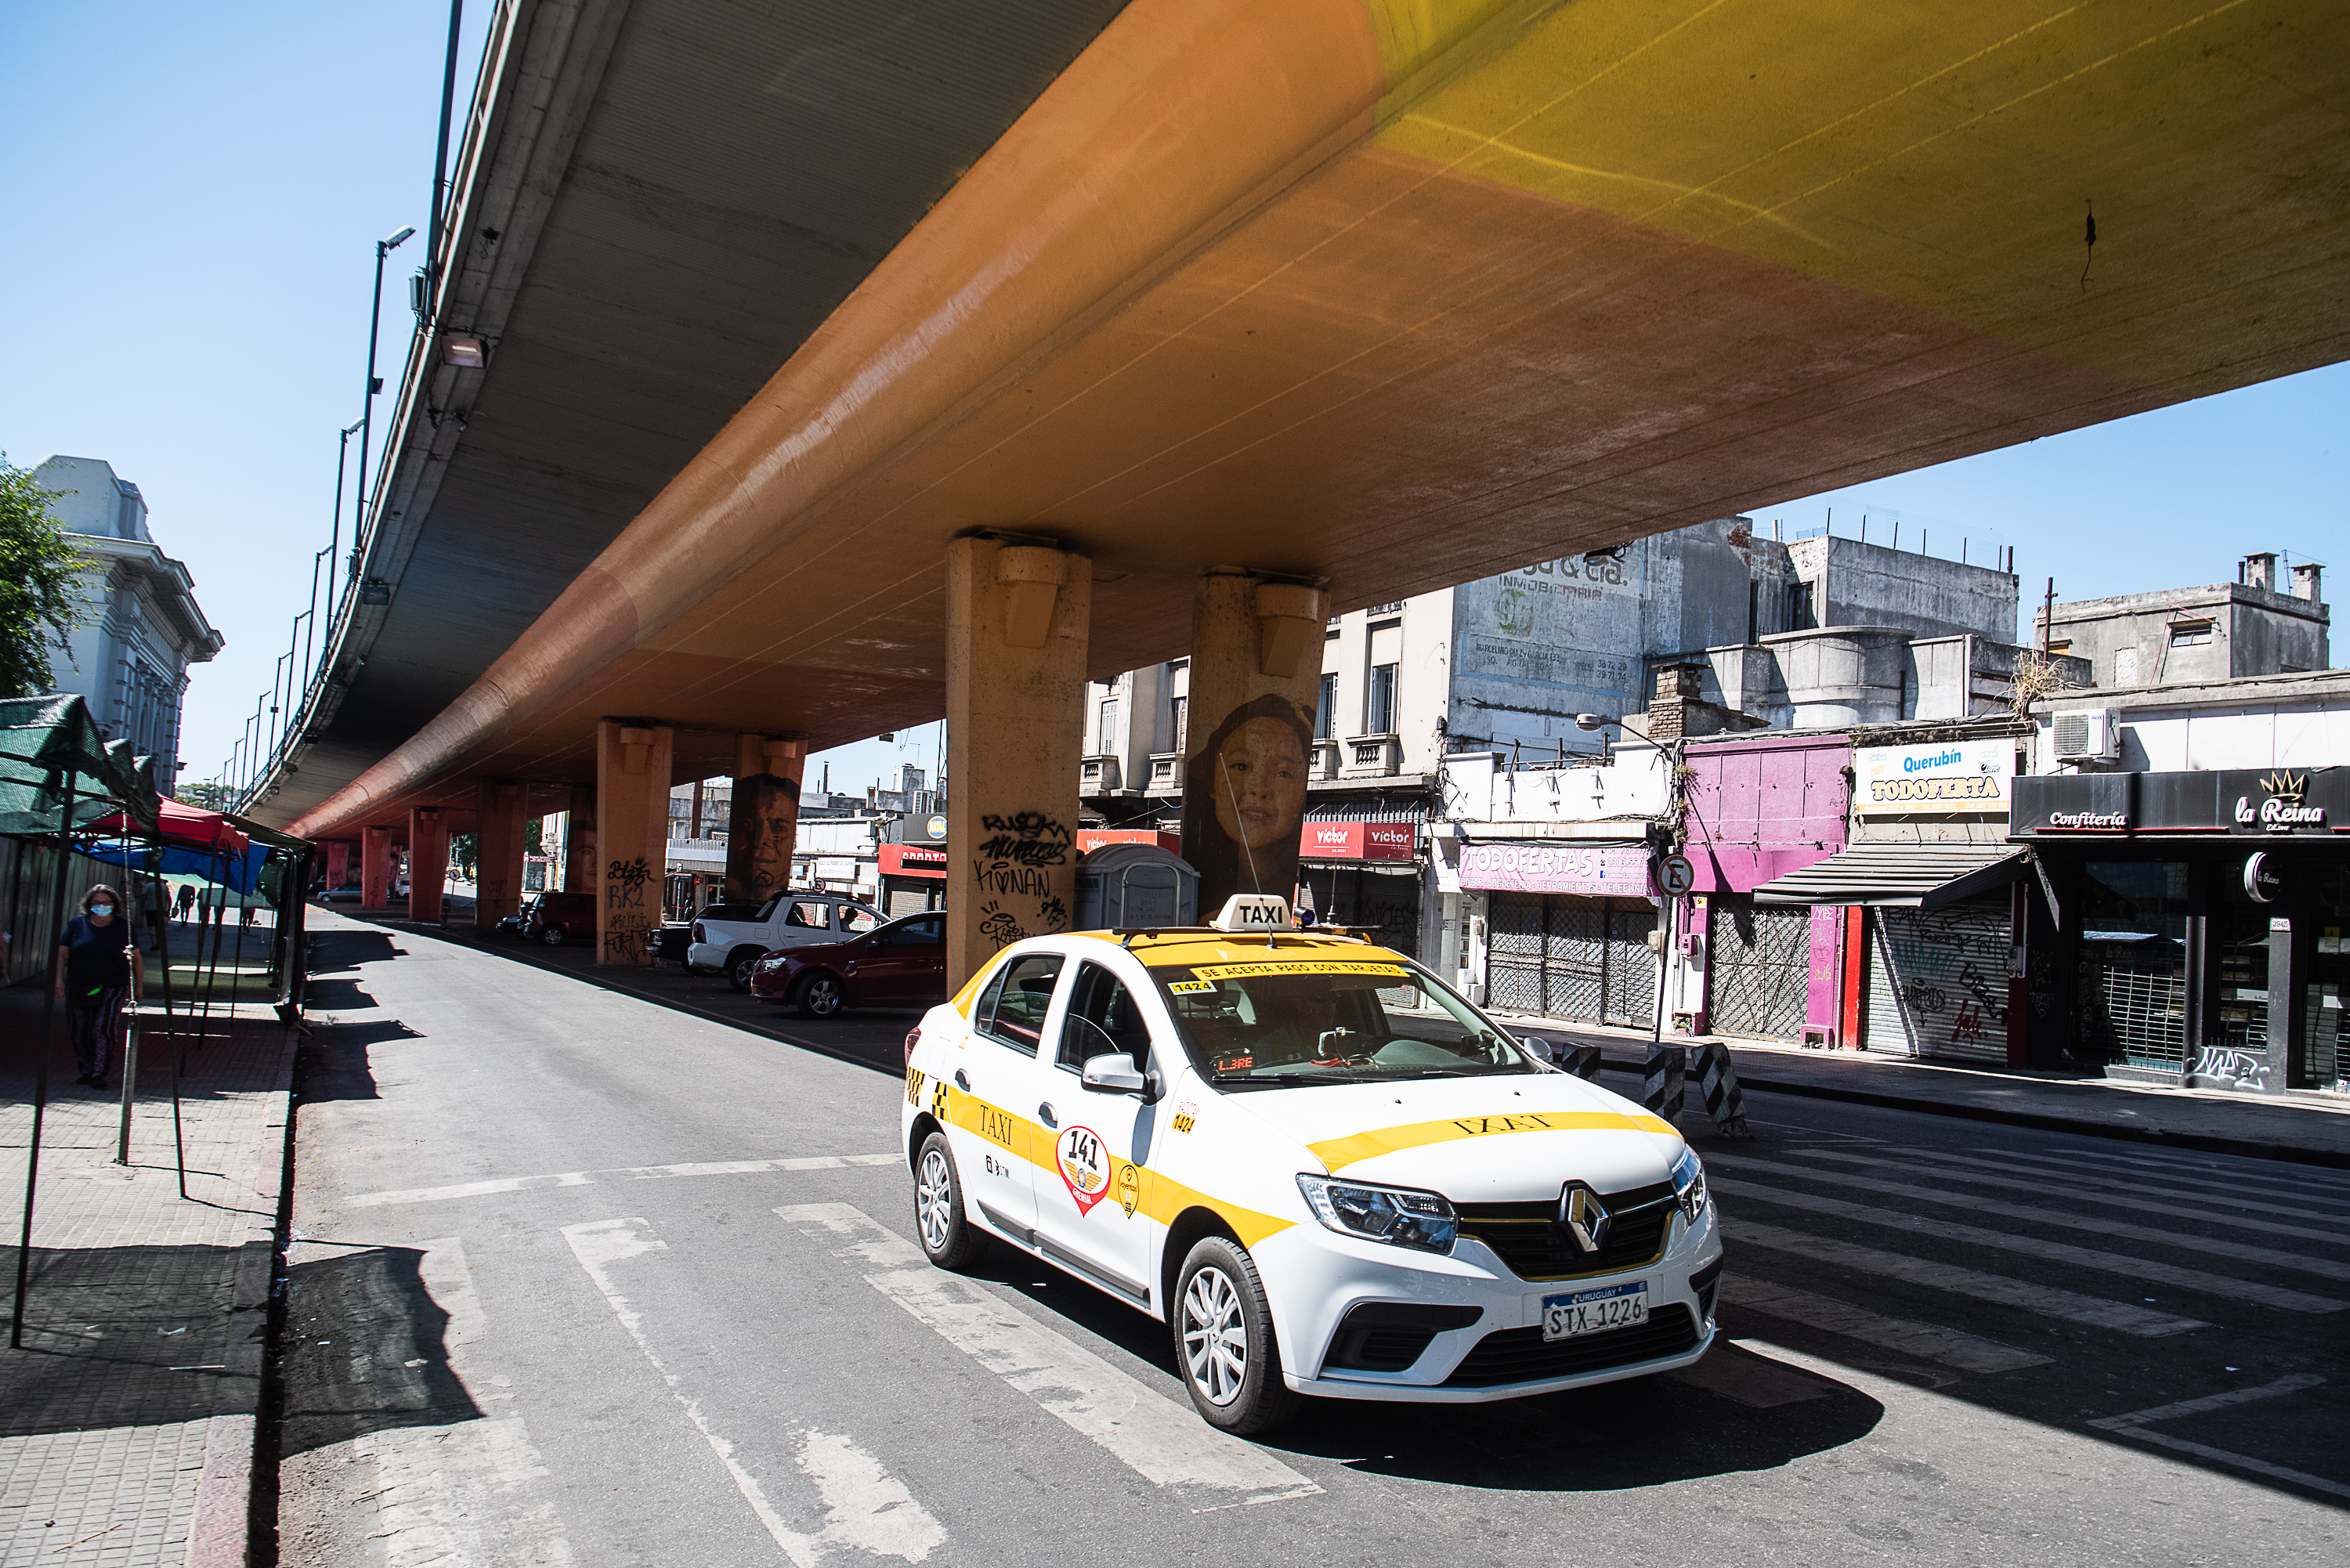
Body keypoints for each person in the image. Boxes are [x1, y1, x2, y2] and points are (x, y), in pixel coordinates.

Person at [55, 884, 140, 1092]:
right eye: (96, 903)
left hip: (112, 985)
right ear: (89, 905)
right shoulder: (78, 924)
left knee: (102, 1028)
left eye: (105, 903)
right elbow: (62, 953)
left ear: (114, 905)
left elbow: (136, 959)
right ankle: (86, 1067)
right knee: (79, 1029)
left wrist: (138, 987)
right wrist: (58, 979)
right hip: (80, 985)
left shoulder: (123, 927)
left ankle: (98, 1072)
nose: (101, 907)